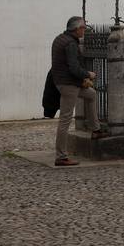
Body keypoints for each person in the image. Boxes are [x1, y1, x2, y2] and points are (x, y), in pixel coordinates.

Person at [50, 16, 104, 166]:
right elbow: (73, 68)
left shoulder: (59, 38)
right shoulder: (71, 44)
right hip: (68, 85)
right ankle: (61, 157)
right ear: (76, 29)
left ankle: (96, 129)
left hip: (63, 82)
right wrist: (88, 75)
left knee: (91, 95)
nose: (84, 31)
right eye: (83, 28)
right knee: (65, 119)